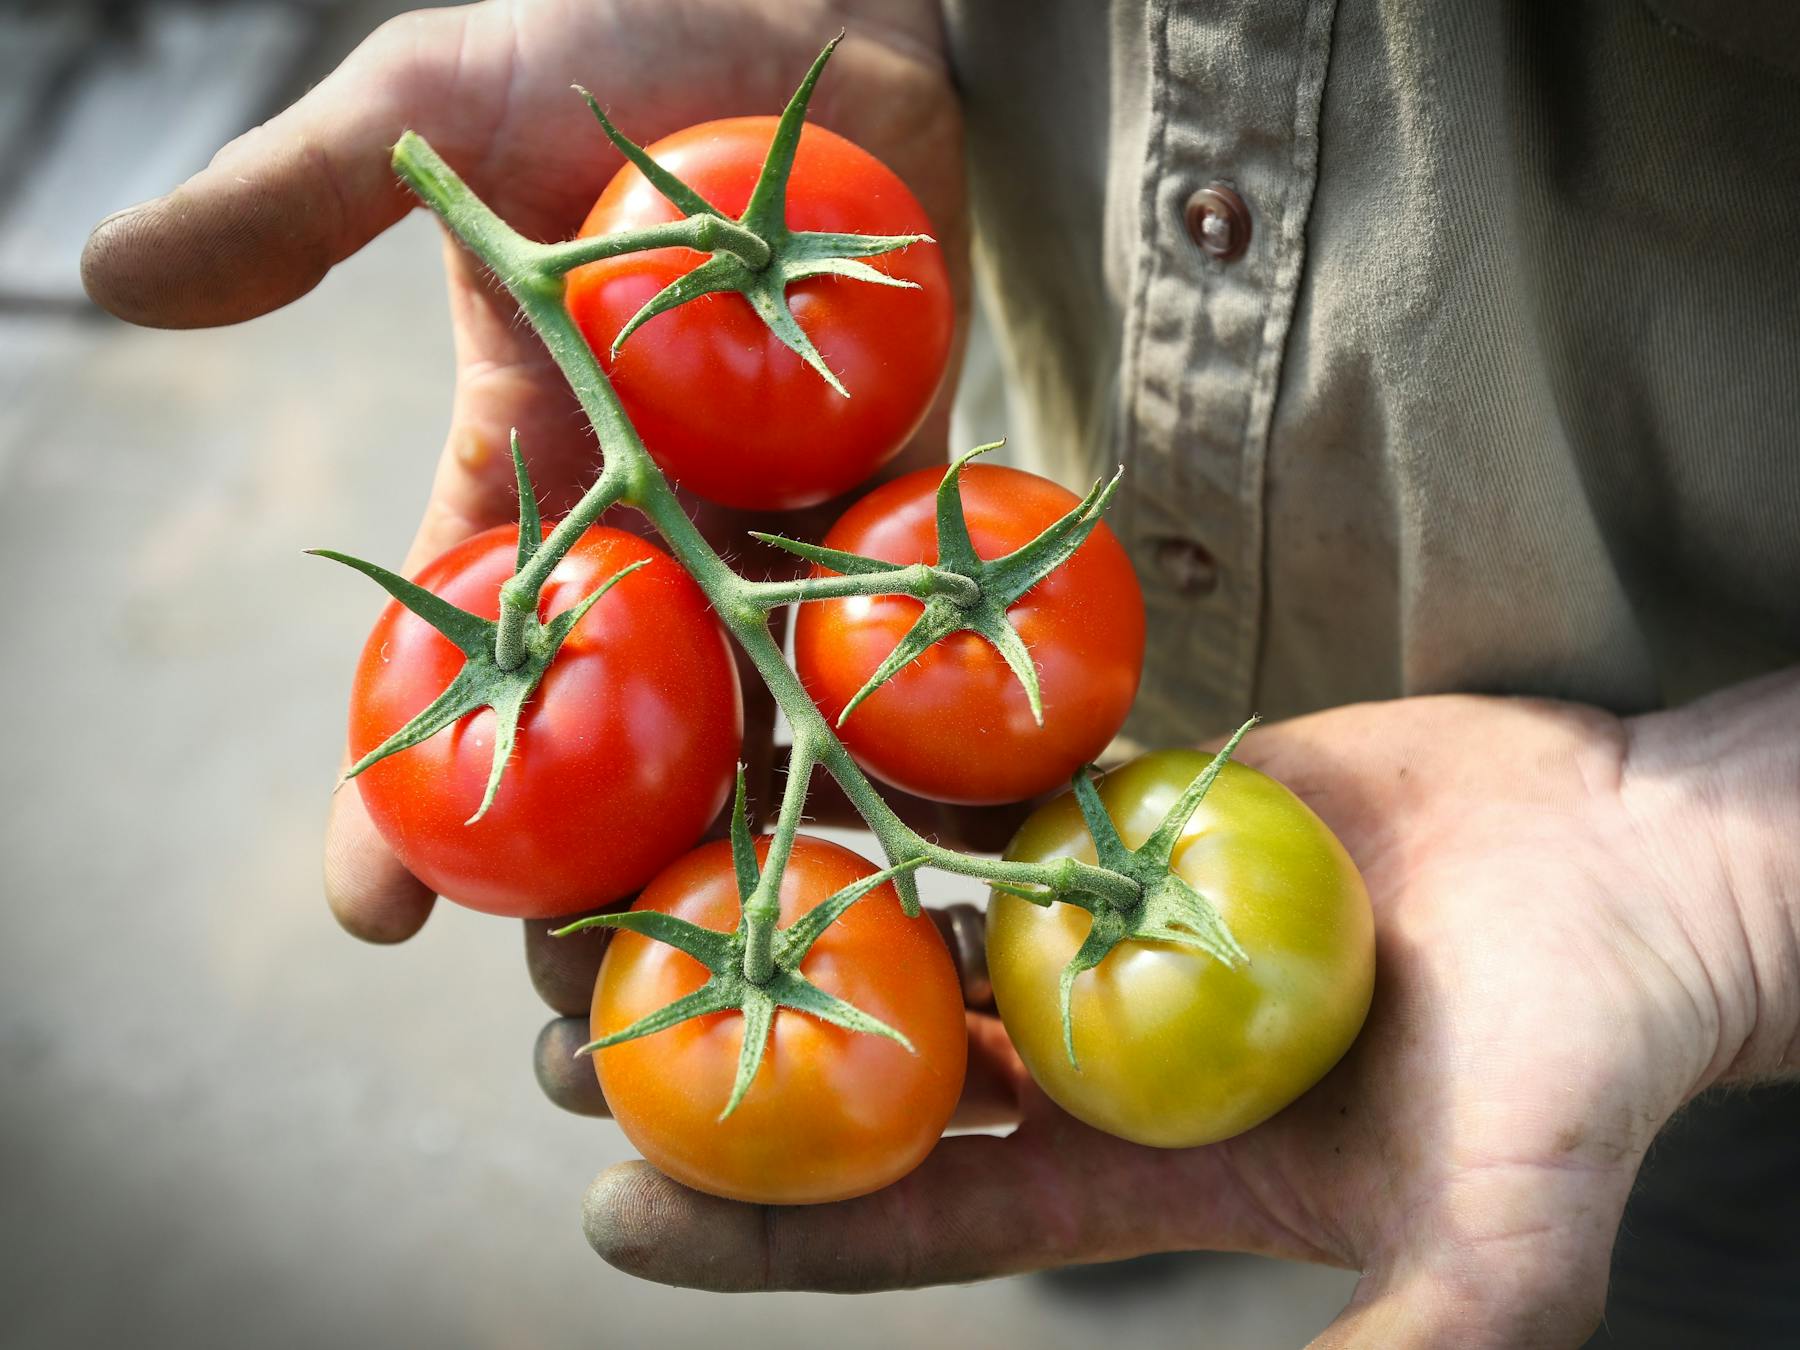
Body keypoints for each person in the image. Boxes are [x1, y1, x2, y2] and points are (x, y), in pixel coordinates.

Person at [81, 2, 1799, 1345]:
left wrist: (1732, 879)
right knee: (1094, 1074)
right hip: (1058, 572)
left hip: (1689, 748)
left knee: (1665, 1242)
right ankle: (1080, 1131)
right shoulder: (904, 578)